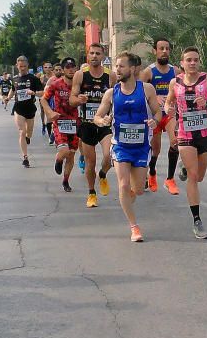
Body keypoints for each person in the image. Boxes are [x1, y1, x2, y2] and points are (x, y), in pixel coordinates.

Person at [95, 52, 162, 241]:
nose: (117, 69)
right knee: (123, 185)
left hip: (141, 147)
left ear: (132, 69)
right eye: (116, 66)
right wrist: (103, 120)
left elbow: (158, 112)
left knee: (138, 189)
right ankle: (135, 227)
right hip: (120, 146)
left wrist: (155, 122)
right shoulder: (111, 93)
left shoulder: (146, 89)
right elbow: (97, 116)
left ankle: (127, 199)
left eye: (121, 66)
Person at [165, 47, 207, 239]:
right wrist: (168, 108)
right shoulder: (175, 82)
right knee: (193, 176)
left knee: (199, 177)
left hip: (204, 133)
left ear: (199, 62)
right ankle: (197, 220)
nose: (192, 63)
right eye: (188, 60)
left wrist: (206, 104)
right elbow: (168, 102)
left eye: (195, 60)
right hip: (184, 133)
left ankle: (183, 167)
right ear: (182, 63)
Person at [70, 43, 114, 208]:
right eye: (92, 53)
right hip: (87, 124)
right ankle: (91, 193)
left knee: (109, 155)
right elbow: (72, 99)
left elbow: (117, 98)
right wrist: (78, 99)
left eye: (98, 53)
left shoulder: (111, 76)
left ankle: (102, 174)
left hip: (104, 124)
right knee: (91, 162)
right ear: (88, 55)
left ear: (103, 56)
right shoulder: (80, 75)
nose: (95, 56)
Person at [140, 37, 181, 194]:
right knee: (155, 149)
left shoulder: (175, 71)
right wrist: (154, 97)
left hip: (170, 114)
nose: (164, 51)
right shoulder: (148, 72)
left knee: (175, 142)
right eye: (161, 48)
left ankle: (170, 179)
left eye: (167, 49)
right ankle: (152, 172)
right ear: (154, 51)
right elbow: (138, 91)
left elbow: (183, 90)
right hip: (155, 116)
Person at [41, 57, 80, 192]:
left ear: (76, 68)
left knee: (71, 155)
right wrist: (50, 113)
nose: (70, 69)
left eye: (72, 66)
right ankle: (58, 160)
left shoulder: (80, 85)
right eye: (67, 67)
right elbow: (43, 99)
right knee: (64, 151)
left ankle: (65, 181)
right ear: (63, 70)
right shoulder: (56, 84)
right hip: (60, 122)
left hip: (76, 124)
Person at [6, 56, 44, 168]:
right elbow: (13, 90)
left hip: (30, 108)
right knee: (21, 132)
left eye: (24, 66)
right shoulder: (15, 79)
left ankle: (28, 137)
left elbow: (42, 92)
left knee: (29, 132)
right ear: (17, 66)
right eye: (20, 66)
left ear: (27, 66)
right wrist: (8, 98)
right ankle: (25, 157)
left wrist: (33, 93)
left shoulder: (33, 79)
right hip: (18, 108)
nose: (22, 68)